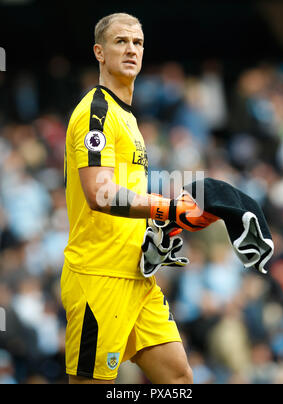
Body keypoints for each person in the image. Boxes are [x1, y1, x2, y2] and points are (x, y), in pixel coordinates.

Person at [62, 12, 203, 385]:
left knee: (179, 379)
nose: (131, 50)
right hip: (99, 277)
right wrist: (167, 207)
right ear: (99, 52)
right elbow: (99, 193)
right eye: (121, 42)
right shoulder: (97, 111)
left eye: (138, 43)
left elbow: (127, 193)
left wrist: (159, 221)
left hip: (138, 275)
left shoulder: (128, 117)